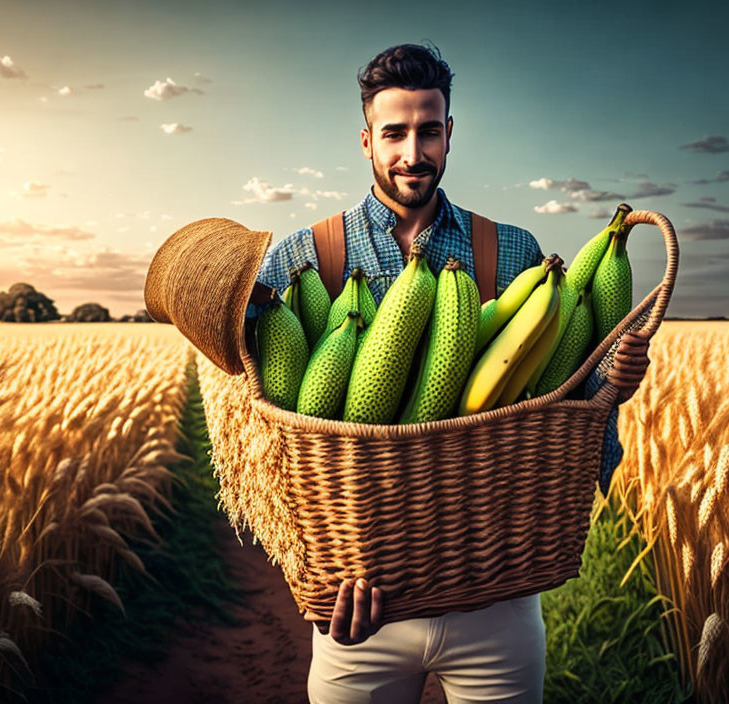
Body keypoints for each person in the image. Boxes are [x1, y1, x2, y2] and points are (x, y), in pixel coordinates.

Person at [246, 42, 651, 704]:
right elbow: (264, 434)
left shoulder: (514, 251)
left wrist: (611, 382)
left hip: (496, 597)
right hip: (358, 609)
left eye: (428, 131)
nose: (413, 153)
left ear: (450, 133)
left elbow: (558, 402)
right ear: (366, 140)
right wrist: (308, 566)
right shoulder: (304, 257)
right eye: (394, 133)